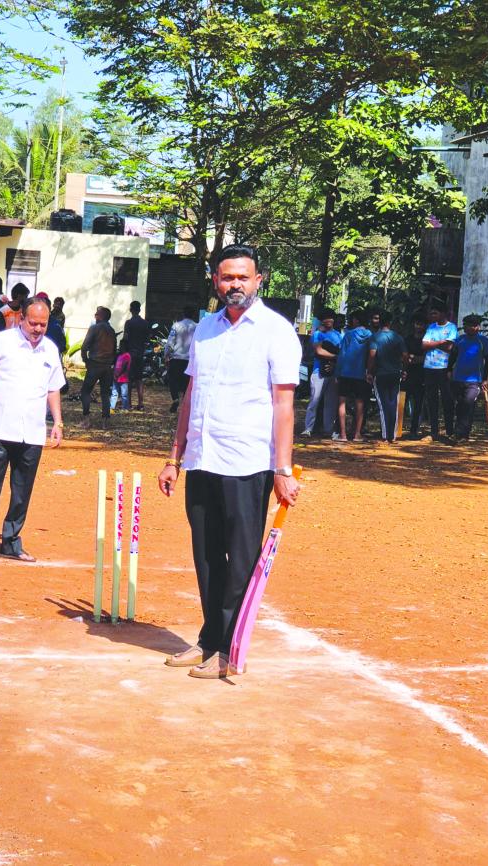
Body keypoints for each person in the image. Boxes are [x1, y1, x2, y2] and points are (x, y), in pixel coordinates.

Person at [158, 244, 301, 679]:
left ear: (259, 280)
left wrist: (282, 469)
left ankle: (228, 651)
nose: (234, 284)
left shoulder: (276, 331)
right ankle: (208, 640)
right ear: (215, 281)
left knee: (239, 560)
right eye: (226, 277)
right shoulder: (205, 328)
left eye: (243, 277)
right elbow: (190, 396)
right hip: (203, 457)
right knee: (205, 556)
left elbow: (284, 406)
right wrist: (174, 457)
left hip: (248, 462)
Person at [0, 297, 65, 565]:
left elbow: (53, 388)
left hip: (32, 432)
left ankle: (11, 542)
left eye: (43, 324)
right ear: (21, 319)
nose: (38, 329)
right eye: (33, 323)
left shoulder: (50, 350)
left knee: (22, 492)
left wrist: (58, 422)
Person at [448, 314, 488, 442]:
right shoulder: (460, 340)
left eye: (474, 325)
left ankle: (462, 434)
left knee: (468, 404)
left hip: (474, 381)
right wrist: (449, 370)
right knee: (460, 406)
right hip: (458, 379)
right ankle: (459, 433)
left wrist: (485, 379)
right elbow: (453, 357)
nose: (471, 328)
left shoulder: (484, 341)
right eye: (468, 325)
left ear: (478, 327)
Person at [366, 310, 408, 443]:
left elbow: (372, 356)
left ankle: (385, 435)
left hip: (381, 374)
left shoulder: (375, 337)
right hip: (395, 374)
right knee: (393, 403)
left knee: (383, 405)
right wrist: (404, 369)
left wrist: (369, 372)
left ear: (379, 322)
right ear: (391, 322)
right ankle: (393, 435)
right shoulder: (398, 337)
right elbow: (405, 356)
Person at [301, 307, 342, 437]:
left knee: (331, 402)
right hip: (318, 371)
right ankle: (308, 428)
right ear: (321, 320)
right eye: (325, 318)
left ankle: (328, 429)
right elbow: (318, 351)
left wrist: (334, 363)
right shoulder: (317, 334)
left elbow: (340, 352)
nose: (328, 320)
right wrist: (335, 357)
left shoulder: (338, 335)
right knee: (314, 400)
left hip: (333, 372)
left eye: (330, 317)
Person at [333, 310, 372, 442]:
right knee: (360, 403)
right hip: (362, 373)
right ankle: (357, 434)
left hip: (346, 372)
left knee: (342, 402)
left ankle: (343, 434)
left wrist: (337, 372)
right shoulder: (370, 335)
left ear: (356, 320)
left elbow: (342, 354)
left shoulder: (349, 335)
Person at [422, 301, 458, 441]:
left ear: (443, 313)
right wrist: (440, 343)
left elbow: (449, 348)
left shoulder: (451, 328)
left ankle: (449, 431)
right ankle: (434, 431)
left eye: (435, 313)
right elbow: (424, 345)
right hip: (429, 367)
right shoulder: (431, 327)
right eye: (431, 313)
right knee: (431, 400)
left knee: (447, 399)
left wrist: (432, 344)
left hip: (443, 368)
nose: (432, 316)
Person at [80, 306, 117, 428]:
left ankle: (86, 420)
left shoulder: (94, 328)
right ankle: (105, 422)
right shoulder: (111, 331)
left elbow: (84, 347)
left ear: (101, 316)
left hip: (95, 364)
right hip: (107, 366)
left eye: (97, 314)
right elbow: (114, 350)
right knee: (105, 393)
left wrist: (86, 361)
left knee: (85, 391)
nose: (95, 316)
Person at [164, 305, 198, 412]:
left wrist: (166, 355)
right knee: (187, 383)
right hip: (190, 360)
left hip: (176, 358)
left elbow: (170, 342)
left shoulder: (176, 326)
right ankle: (184, 404)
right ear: (193, 315)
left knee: (173, 380)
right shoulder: (197, 326)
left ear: (183, 313)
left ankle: (175, 398)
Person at [403, 314, 427, 439]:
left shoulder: (427, 340)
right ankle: (397, 429)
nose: (418, 326)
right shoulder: (408, 339)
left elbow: (426, 358)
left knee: (418, 404)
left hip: (421, 376)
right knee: (402, 402)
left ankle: (413, 430)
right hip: (407, 374)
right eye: (417, 324)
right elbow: (404, 356)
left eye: (421, 324)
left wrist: (414, 358)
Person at [123, 300, 151, 410]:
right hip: (140, 353)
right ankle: (141, 403)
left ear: (131, 310)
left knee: (129, 379)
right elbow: (147, 339)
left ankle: (128, 403)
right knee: (139, 379)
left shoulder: (128, 323)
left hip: (130, 354)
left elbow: (125, 338)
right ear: (139, 310)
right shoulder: (145, 323)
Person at [110, 338, 132, 411]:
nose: (120, 347)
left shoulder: (127, 355)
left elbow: (124, 367)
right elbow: (116, 366)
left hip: (123, 379)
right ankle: (111, 407)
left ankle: (125, 408)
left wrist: (118, 374)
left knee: (124, 395)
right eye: (120, 346)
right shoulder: (119, 356)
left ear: (126, 347)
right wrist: (114, 374)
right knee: (114, 393)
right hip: (116, 378)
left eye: (122, 346)